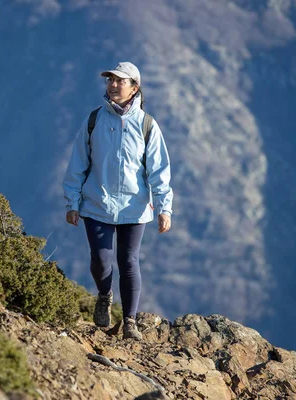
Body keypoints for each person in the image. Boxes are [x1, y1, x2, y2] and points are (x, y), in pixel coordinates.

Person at [62, 61, 173, 340]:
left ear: (134, 88)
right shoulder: (94, 120)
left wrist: (164, 208)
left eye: (119, 81)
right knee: (101, 260)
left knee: (128, 262)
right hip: (97, 203)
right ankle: (104, 295)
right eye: (110, 80)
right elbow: (78, 163)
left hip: (134, 208)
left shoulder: (147, 125)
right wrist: (72, 202)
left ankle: (130, 322)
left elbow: (158, 170)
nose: (112, 85)